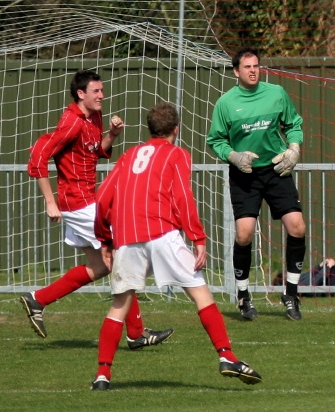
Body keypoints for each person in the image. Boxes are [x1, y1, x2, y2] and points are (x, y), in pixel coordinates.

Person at [91, 103, 262, 390]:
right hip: (161, 233)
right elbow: (182, 197)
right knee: (201, 294)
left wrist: (105, 238)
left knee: (119, 306)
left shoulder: (129, 155)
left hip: (127, 236)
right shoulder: (177, 154)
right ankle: (227, 356)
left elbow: (103, 196)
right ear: (175, 129)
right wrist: (198, 238)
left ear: (149, 129)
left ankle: (102, 376)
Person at [21, 70, 172, 350]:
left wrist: (112, 135)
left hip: (87, 198)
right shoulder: (71, 122)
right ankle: (136, 333)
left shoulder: (94, 118)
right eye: (96, 92)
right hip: (78, 203)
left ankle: (38, 299)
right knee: (122, 257)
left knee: (103, 265)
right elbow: (38, 157)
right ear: (81, 94)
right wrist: (49, 201)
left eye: (102, 91)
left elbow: (95, 151)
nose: (102, 95)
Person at [206, 47, 307, 321]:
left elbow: (294, 123)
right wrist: (233, 156)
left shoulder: (276, 94)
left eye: (256, 66)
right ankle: (243, 296)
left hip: (277, 170)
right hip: (245, 174)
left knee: (297, 227)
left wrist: (294, 148)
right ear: (236, 71)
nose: (253, 70)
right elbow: (216, 140)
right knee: (244, 234)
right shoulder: (226, 103)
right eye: (247, 67)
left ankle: (291, 293)